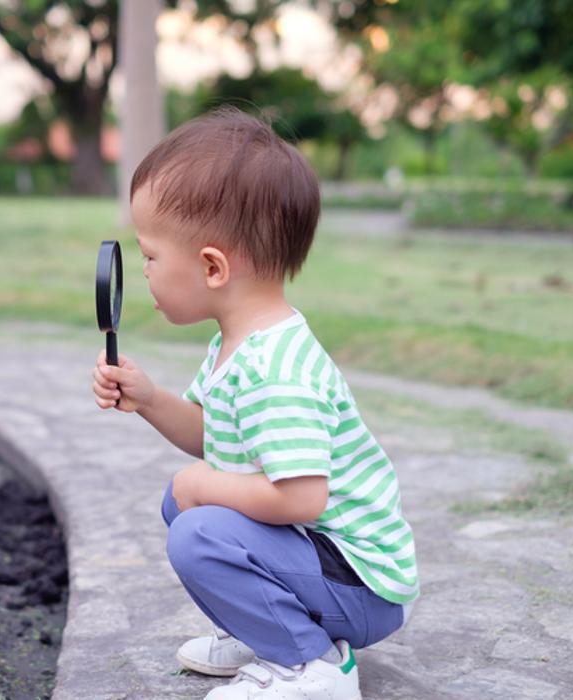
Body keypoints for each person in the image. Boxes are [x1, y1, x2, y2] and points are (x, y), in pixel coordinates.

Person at [91, 107, 418, 700]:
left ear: (212, 266)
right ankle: (271, 632)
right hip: (322, 560)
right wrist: (149, 399)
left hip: (360, 583)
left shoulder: (275, 371)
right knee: (185, 499)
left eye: (150, 256)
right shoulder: (237, 343)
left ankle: (313, 666)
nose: (142, 271)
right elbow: (212, 437)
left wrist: (204, 487)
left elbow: (300, 496)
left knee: (196, 530)